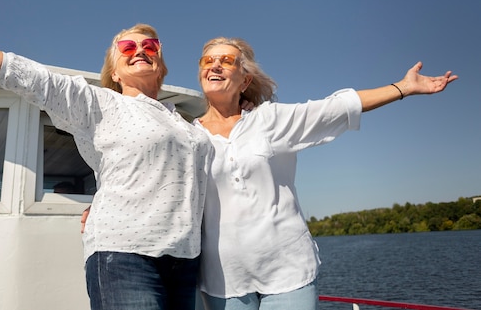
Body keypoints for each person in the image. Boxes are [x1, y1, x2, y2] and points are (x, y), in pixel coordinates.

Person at [0, 0, 214, 310]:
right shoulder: (101, 104)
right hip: (125, 255)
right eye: (127, 46)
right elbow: (34, 79)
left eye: (149, 45)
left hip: (185, 258)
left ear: (162, 63)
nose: (139, 50)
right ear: (114, 71)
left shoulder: (184, 123)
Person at [193, 37, 457, 310]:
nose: (215, 67)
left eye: (226, 61)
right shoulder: (188, 135)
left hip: (287, 271)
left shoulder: (269, 120)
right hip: (223, 280)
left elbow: (338, 106)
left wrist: (403, 87)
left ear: (245, 81)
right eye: (208, 61)